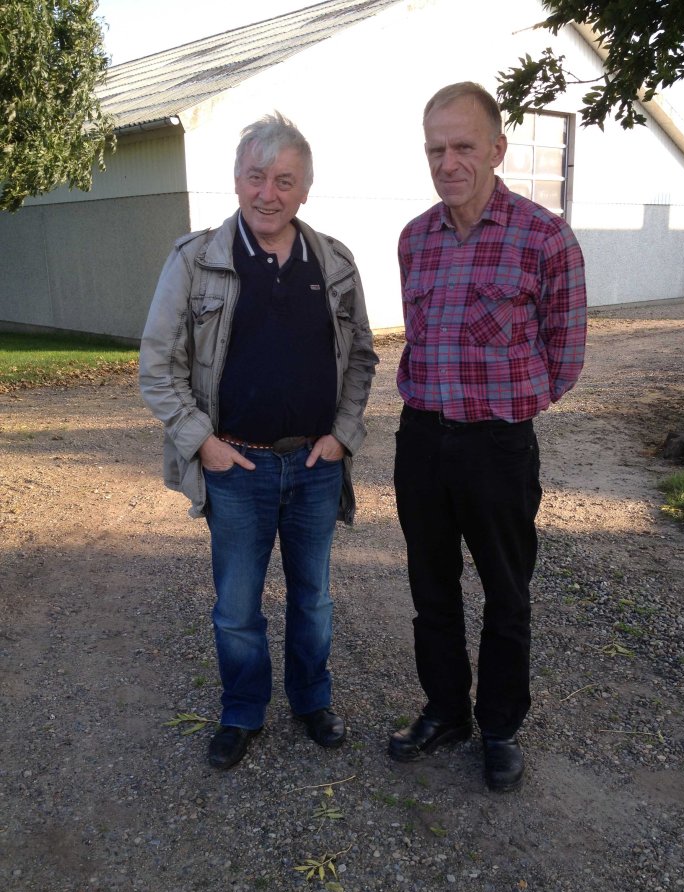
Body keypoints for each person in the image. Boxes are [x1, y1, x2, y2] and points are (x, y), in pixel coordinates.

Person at [140, 112, 377, 771]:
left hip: (315, 464)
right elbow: (157, 367)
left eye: (284, 181)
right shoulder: (196, 261)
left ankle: (311, 701)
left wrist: (343, 435)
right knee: (238, 607)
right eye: (255, 177)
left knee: (313, 599)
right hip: (236, 467)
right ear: (237, 179)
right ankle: (242, 711)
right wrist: (204, 444)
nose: (267, 194)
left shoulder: (334, 263)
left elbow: (361, 357)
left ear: (305, 189)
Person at [389, 82, 587, 791]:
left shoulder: (544, 237)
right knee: (431, 589)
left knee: (507, 593)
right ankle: (445, 711)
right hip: (421, 441)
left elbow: (565, 354)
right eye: (435, 149)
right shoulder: (414, 239)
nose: (448, 162)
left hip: (498, 448)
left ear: (497, 149)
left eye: (463, 146)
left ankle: (499, 726)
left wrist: (508, 407)